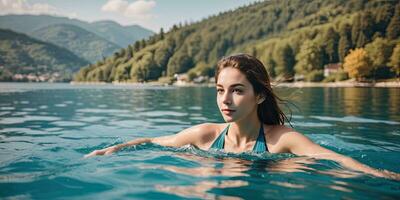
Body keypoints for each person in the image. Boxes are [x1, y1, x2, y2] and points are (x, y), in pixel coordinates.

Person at [85, 53, 400, 180]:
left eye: (237, 90)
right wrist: (111, 150)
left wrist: (382, 177)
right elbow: (153, 141)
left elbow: (335, 160)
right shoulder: (206, 136)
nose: (225, 99)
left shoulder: (281, 139)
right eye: (220, 89)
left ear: (259, 94)